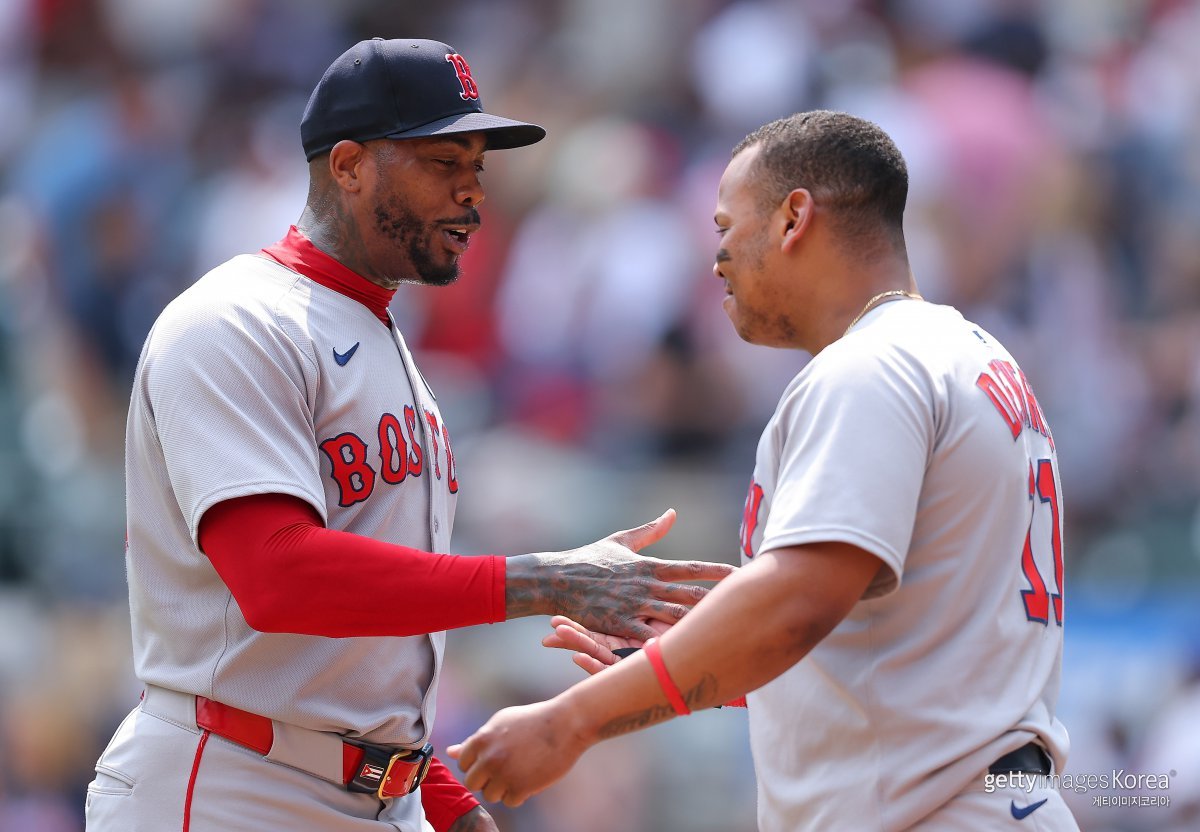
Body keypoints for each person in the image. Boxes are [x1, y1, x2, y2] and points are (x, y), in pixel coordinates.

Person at [84, 38, 734, 832]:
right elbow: (275, 574)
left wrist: (447, 806)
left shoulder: (385, 340)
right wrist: (546, 581)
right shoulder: (236, 321)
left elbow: (362, 665)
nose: (473, 192)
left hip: (376, 793)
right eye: (443, 163)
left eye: (478, 168)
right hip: (231, 784)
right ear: (350, 165)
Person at [448, 110, 1080, 831]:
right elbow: (886, 639)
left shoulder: (870, 367)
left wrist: (572, 721)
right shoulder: (967, 355)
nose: (715, 257)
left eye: (725, 226)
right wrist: (702, 650)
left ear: (793, 218)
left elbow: (797, 603)